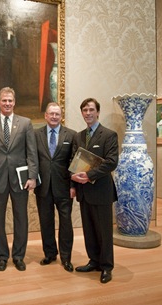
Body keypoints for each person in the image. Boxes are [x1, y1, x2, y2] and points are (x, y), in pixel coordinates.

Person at [0, 87, 38, 272]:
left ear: (14, 102)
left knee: (21, 218)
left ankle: (19, 256)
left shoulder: (25, 123)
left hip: (20, 179)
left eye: (10, 101)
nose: (7, 103)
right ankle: (2, 256)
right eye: (4, 100)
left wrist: (32, 176)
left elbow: (32, 152)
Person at [71, 98, 118, 284]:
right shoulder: (79, 136)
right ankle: (94, 261)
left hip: (101, 191)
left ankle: (106, 267)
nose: (88, 113)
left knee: (104, 231)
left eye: (91, 109)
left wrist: (89, 175)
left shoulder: (109, 135)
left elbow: (111, 162)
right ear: (82, 113)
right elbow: (74, 161)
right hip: (84, 192)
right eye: (84, 110)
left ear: (98, 112)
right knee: (89, 229)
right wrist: (73, 180)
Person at [34, 102, 76, 272]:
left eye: (57, 114)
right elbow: (32, 159)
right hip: (42, 187)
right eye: (51, 113)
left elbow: (75, 163)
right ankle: (50, 253)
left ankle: (66, 258)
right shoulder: (36, 134)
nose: (54, 116)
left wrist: (74, 186)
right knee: (46, 222)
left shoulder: (71, 135)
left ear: (61, 116)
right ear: (46, 115)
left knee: (66, 223)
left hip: (64, 187)